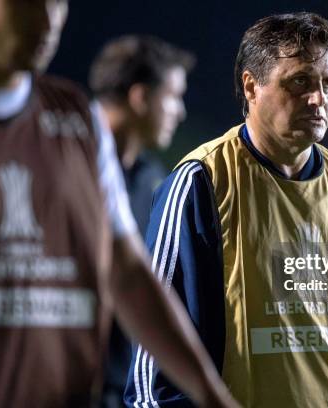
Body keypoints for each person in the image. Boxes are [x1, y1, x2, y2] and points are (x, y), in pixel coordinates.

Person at [0, 1, 238, 407]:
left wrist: (210, 393)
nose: (48, 18)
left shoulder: (78, 121)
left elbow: (127, 271)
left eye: (58, 2)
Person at [125, 12, 328, 408]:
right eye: (299, 82)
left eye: (327, 83)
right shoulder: (202, 183)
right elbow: (155, 348)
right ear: (251, 86)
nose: (318, 99)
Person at [88, 35, 195, 407]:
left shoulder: (153, 180)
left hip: (122, 387)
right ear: (140, 97)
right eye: (173, 96)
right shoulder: (63, 161)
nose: (179, 112)